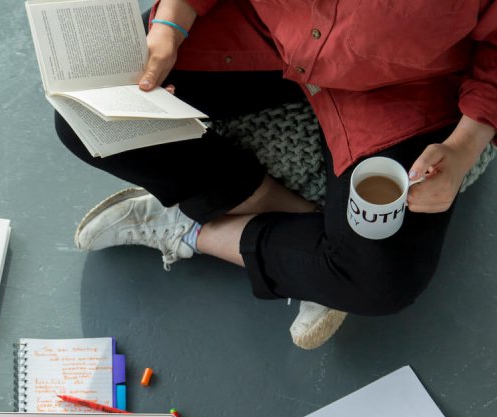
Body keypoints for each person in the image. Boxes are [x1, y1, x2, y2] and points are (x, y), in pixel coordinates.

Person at [55, 0, 497, 349]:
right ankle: (294, 237)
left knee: (379, 283)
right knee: (86, 111)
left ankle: (195, 229)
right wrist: (170, 24)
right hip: (264, 29)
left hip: (400, 87)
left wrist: (464, 147)